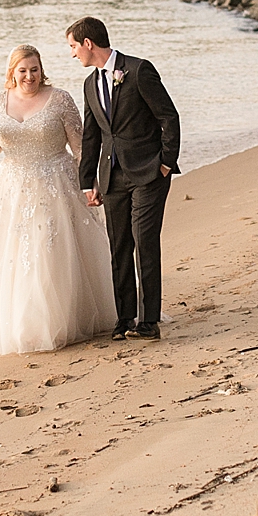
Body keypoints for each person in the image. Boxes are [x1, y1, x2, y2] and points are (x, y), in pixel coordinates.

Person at [0, 45, 117, 355]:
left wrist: (91, 182)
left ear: (41, 69)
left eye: (34, 69)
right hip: (11, 187)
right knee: (14, 256)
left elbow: (81, 147)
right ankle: (25, 328)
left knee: (50, 252)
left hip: (56, 184)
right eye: (23, 70)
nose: (29, 76)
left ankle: (59, 322)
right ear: (12, 72)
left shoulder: (59, 99)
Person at [66, 17, 181, 341]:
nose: (73, 54)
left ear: (88, 43)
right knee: (119, 247)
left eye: (74, 46)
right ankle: (124, 319)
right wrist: (88, 181)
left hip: (148, 173)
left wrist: (166, 164)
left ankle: (149, 322)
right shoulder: (90, 84)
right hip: (112, 177)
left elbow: (168, 117)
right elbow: (92, 137)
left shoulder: (139, 70)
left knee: (145, 243)